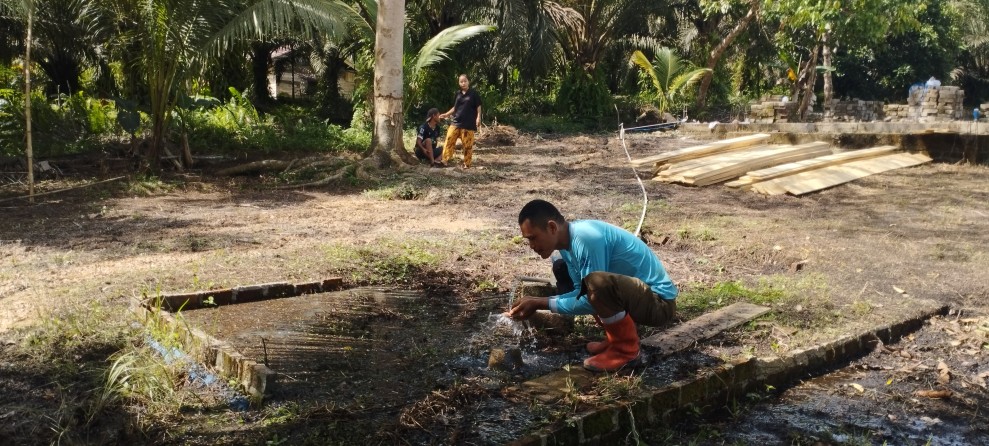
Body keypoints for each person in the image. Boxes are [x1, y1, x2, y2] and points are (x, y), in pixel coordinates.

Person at [507, 199, 678, 372]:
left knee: (596, 283)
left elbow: (589, 299)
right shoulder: (567, 247)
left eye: (533, 238)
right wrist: (537, 301)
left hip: (659, 304)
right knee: (572, 274)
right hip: (638, 300)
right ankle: (614, 339)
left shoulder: (585, 238)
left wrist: (540, 303)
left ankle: (625, 351)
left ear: (552, 227)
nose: (532, 246)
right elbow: (580, 293)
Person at [438, 74, 482, 169]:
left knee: (467, 145)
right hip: (456, 121)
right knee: (449, 139)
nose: (463, 83)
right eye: (461, 81)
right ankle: (445, 160)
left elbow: (478, 106)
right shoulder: (458, 93)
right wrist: (446, 114)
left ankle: (467, 164)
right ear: (459, 83)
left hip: (468, 124)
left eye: (465, 81)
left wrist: (478, 118)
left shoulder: (474, 94)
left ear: (468, 82)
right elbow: (455, 107)